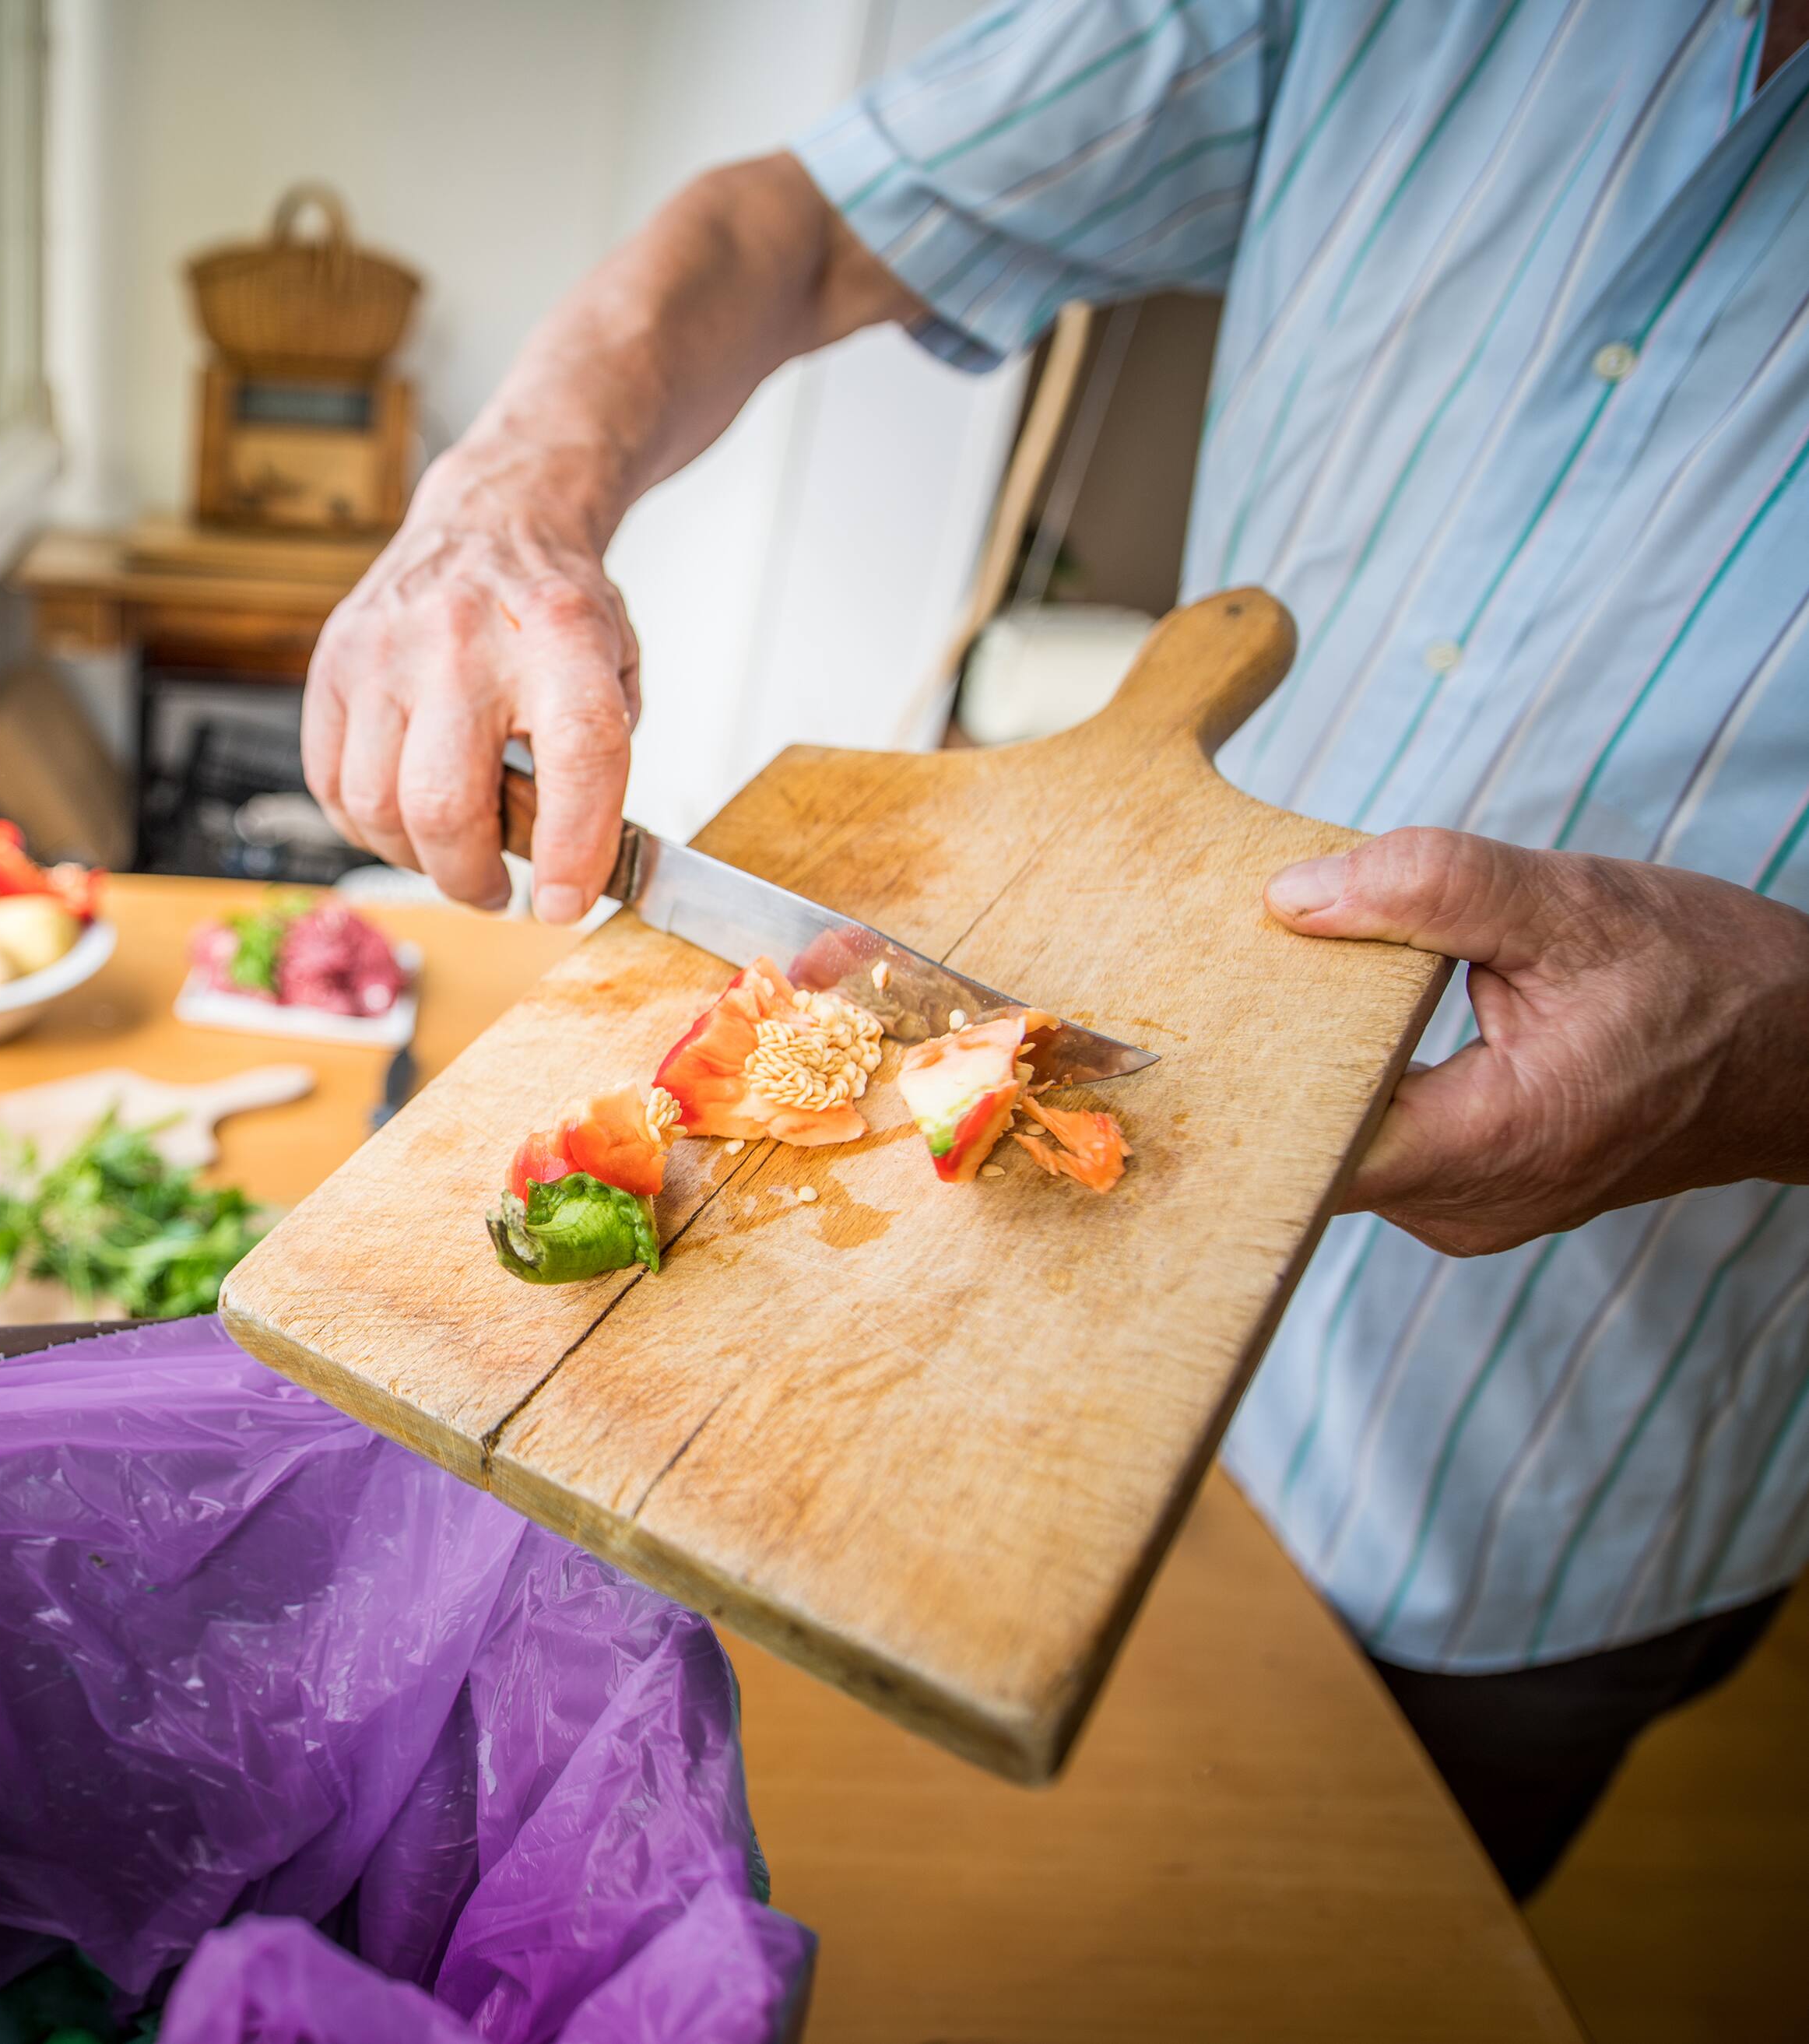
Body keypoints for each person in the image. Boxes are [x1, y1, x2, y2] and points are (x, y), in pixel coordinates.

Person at [305, 0, 1809, 1899]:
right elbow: (789, 224)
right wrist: (495, 492)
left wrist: (1772, 1045)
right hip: (987, 1395)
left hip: (1520, 1461)